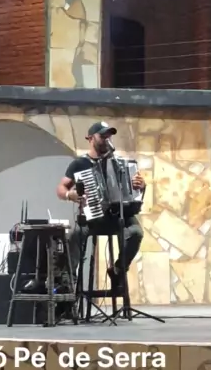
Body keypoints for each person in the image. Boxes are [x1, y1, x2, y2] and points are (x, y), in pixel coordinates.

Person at [57, 121, 145, 288]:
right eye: (102, 136)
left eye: (109, 136)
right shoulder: (80, 164)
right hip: (93, 218)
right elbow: (61, 188)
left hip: (120, 216)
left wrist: (140, 185)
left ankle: (118, 270)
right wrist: (70, 195)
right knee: (75, 234)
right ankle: (68, 280)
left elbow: (134, 191)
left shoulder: (121, 164)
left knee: (136, 233)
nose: (107, 139)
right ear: (90, 138)